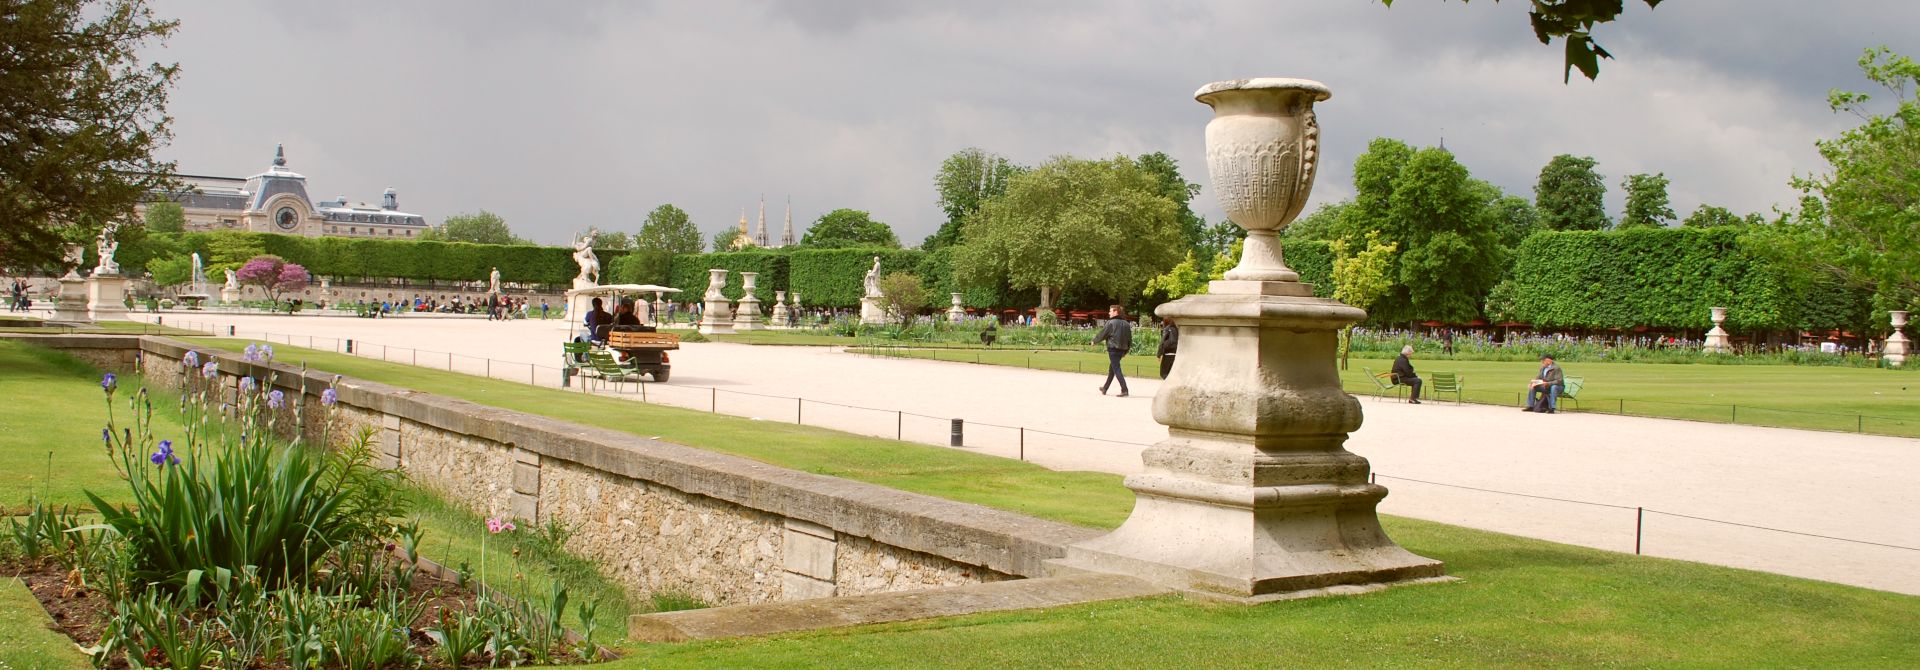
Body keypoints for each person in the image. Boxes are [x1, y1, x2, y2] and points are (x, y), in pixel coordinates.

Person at [1091, 305, 1131, 397]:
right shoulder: (1126, 324)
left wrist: (1095, 341)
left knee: (1116, 368)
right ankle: (1105, 388)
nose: (1109, 313)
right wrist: (1126, 351)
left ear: (1116, 312)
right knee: (1112, 368)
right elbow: (1129, 339)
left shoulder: (1111, 323)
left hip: (1113, 349)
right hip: (1122, 349)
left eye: (1110, 311)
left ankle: (1124, 389)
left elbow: (1103, 333)